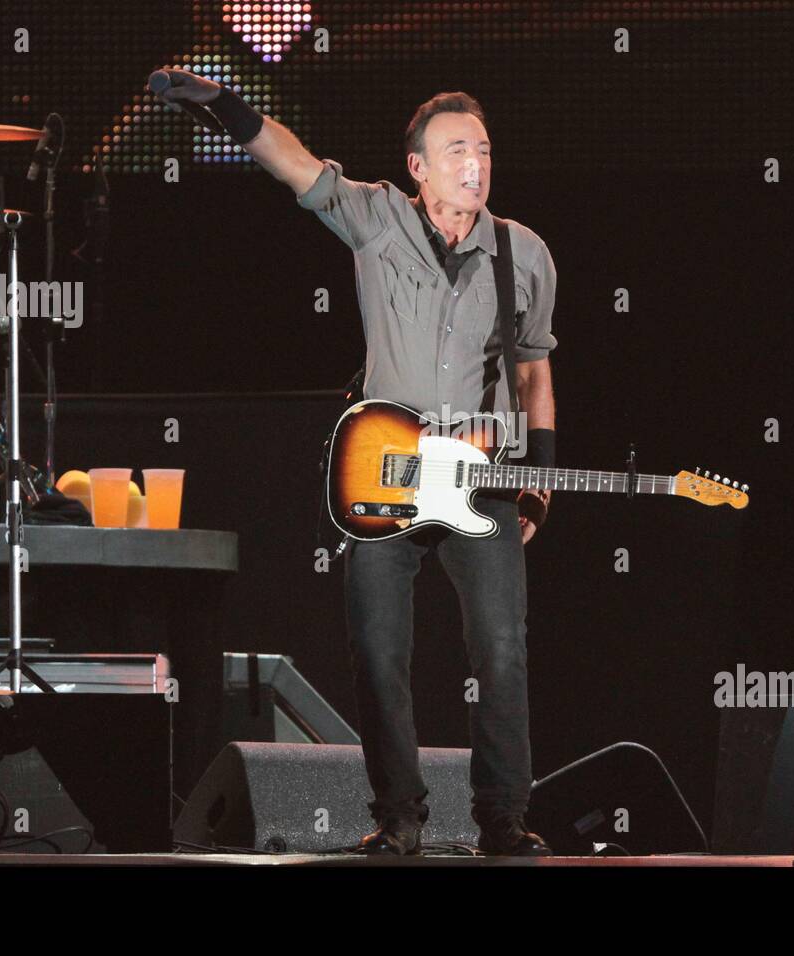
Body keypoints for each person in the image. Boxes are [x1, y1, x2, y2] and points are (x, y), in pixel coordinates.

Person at [153, 72, 558, 856]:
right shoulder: (377, 217)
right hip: (385, 474)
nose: (473, 165)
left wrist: (539, 474)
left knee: (503, 647)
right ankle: (400, 815)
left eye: (482, 149)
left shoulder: (525, 253)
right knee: (377, 648)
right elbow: (295, 164)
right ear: (418, 166)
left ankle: (503, 817)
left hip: (485, 476)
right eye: (455, 151)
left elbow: (537, 368)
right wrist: (222, 107)